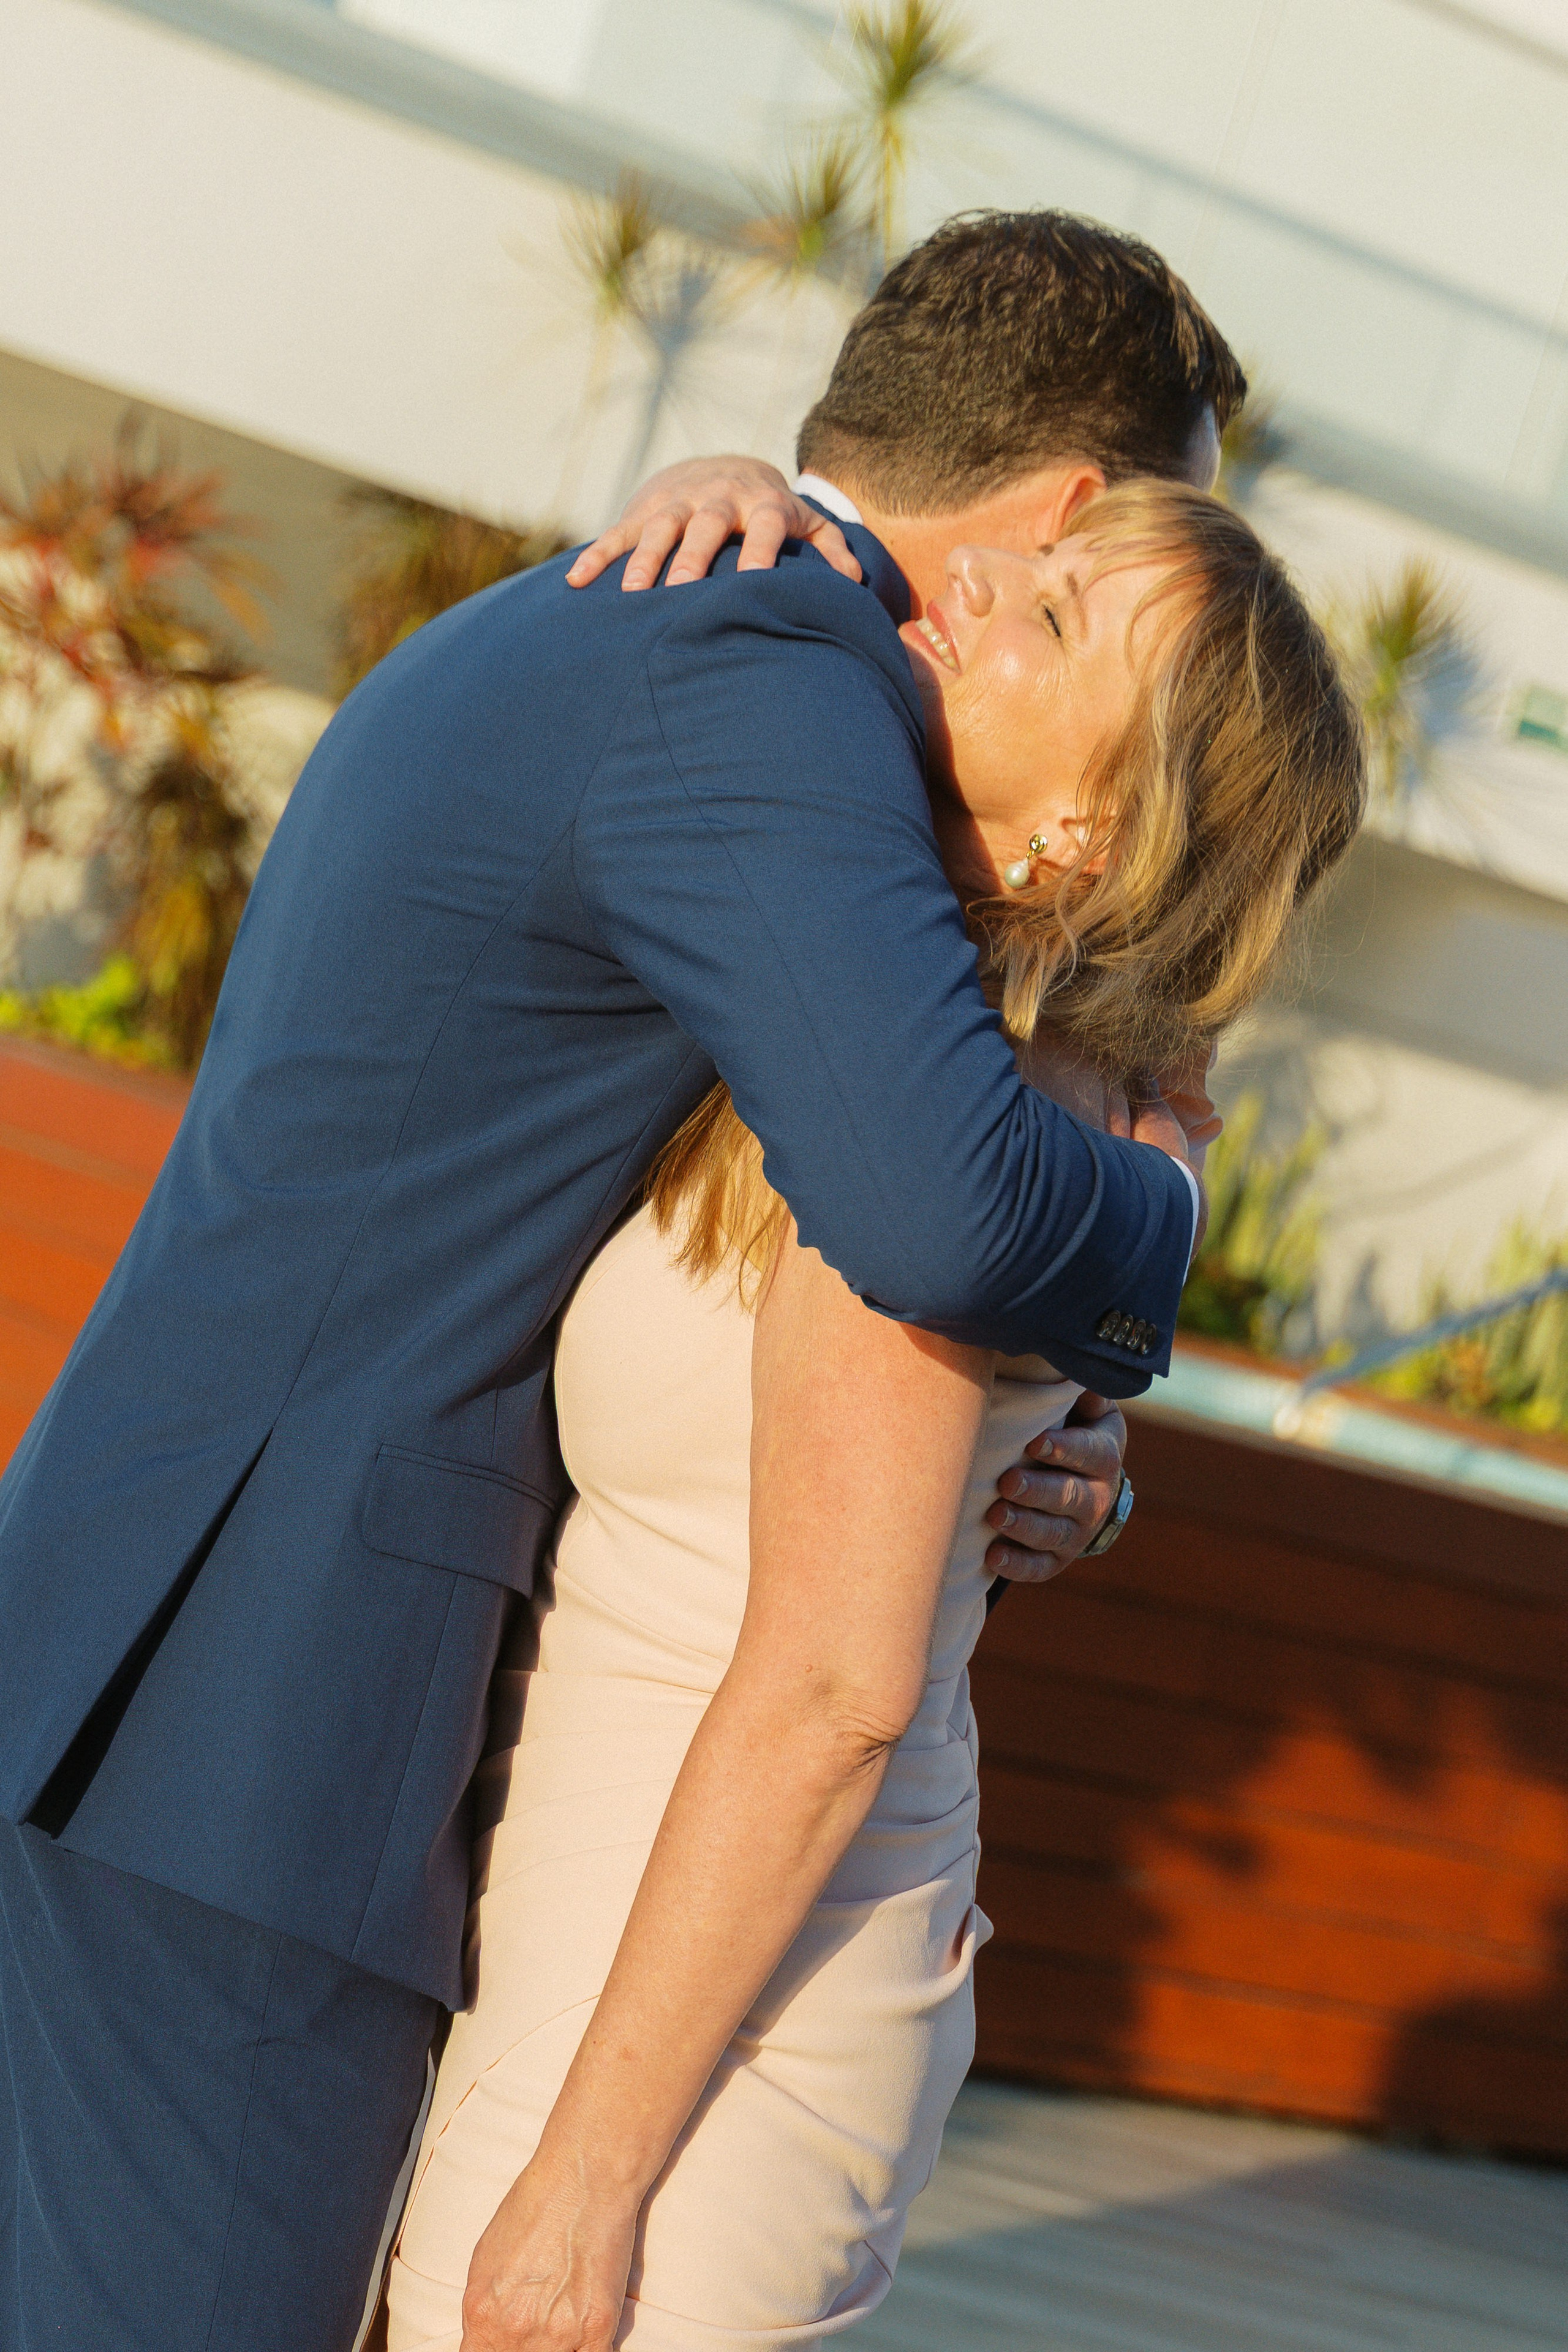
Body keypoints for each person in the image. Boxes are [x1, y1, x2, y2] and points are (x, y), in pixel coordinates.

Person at [0, 213, 1227, 2352]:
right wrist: (1169, 1239)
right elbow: (941, 1214)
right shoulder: (761, 675)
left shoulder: (702, 616)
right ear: (1073, 512)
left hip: (221, 1672)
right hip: (263, 1715)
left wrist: (1067, 1451)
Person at [384, 481, 1365, 2350]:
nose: (982, 584)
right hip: (634, 1949)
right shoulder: (918, 1025)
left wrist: (581, 2195)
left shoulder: (973, 1128)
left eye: (1060, 623)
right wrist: (738, 491)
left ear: (1092, 824)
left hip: (692, 2050)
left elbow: (837, 1691)